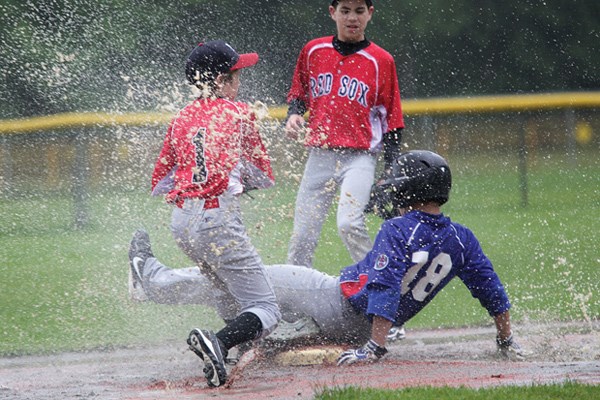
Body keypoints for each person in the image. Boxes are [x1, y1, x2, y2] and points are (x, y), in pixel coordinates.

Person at [129, 150, 526, 377]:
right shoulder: (462, 238)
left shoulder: (397, 228)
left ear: (411, 188)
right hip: (358, 327)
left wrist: (375, 347)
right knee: (264, 318)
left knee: (247, 277)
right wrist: (505, 340)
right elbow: (492, 292)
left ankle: (153, 281)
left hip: (336, 302)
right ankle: (253, 340)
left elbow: (385, 286)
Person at [131, 39, 282, 388]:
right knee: (267, 308)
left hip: (182, 221)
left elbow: (163, 181)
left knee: (227, 294)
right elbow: (261, 175)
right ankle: (220, 341)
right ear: (219, 81)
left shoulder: (181, 117)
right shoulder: (238, 112)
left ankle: (231, 350)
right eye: (234, 74)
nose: (239, 81)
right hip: (218, 219)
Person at [284, 0, 405, 272]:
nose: (352, 18)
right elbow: (299, 94)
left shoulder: (381, 60)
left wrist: (391, 168)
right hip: (320, 155)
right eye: (345, 11)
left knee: (349, 224)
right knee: (302, 237)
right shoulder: (313, 50)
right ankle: (295, 309)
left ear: (370, 14)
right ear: (332, 12)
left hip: (360, 157)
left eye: (359, 11)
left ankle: (380, 284)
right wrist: (293, 115)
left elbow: (392, 120)